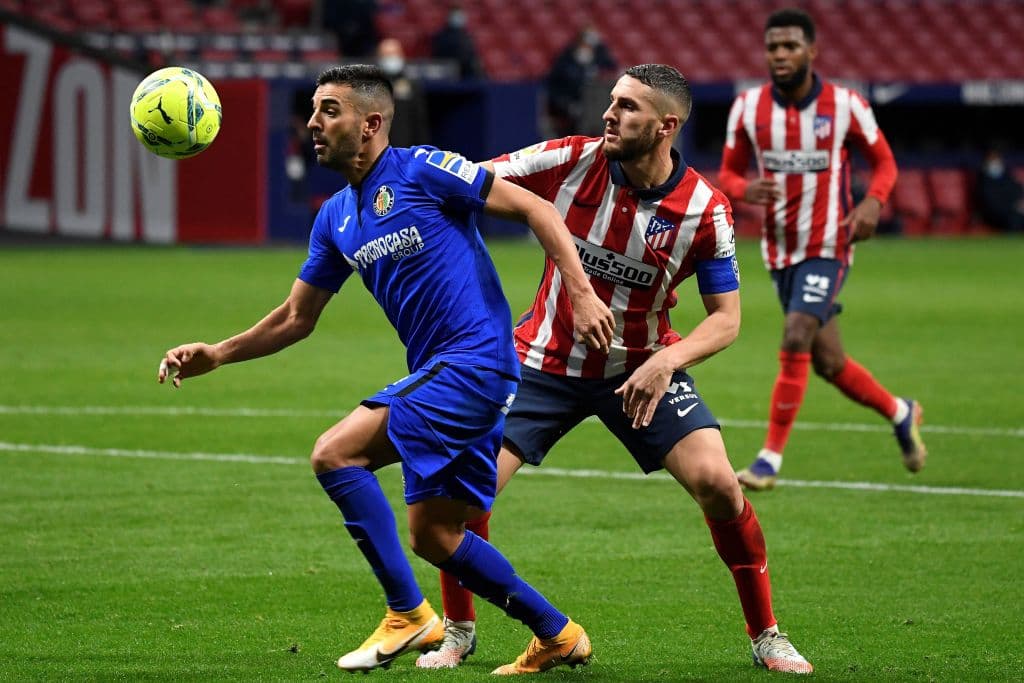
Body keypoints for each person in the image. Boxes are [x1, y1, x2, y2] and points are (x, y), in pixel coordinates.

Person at [157, 64, 616, 675]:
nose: (314, 124)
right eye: (314, 110)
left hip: (473, 362)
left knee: (334, 453)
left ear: (371, 123)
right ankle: (557, 632)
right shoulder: (335, 217)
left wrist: (582, 293)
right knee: (434, 536)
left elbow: (537, 209)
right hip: (450, 373)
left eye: (329, 111)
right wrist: (218, 352)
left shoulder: (423, 168)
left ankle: (408, 613)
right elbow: (297, 316)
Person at [416, 64, 814, 675]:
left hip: (640, 368)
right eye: (611, 102)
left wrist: (668, 361)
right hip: (540, 360)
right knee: (462, 502)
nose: (610, 114)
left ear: (666, 126)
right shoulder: (569, 159)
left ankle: (767, 636)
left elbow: (726, 319)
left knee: (718, 482)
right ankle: (459, 632)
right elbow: (475, 178)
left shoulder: (705, 211)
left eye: (628, 107)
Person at [717, 8, 926, 491]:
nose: (780, 55)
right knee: (828, 361)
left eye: (790, 46)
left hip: (829, 243)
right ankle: (900, 411)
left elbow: (886, 163)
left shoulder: (846, 104)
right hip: (779, 248)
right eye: (773, 47)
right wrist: (744, 189)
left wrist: (874, 202)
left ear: (812, 50)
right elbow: (728, 172)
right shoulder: (747, 109)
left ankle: (769, 459)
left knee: (795, 336)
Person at [545, 25, 617, 137]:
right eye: (585, 44)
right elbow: (555, 87)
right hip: (569, 107)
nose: (588, 48)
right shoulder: (566, 59)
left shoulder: (599, 55)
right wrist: (567, 104)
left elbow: (611, 66)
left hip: (593, 106)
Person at [376, 37, 430, 148]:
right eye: (386, 55)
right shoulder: (369, 86)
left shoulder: (412, 85)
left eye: (394, 54)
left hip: (405, 150)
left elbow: (419, 121)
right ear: (379, 57)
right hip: (377, 152)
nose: (391, 58)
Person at [430, 4, 484, 80]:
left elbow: (471, 55)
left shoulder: (466, 36)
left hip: (467, 72)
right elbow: (439, 56)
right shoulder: (442, 36)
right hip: (449, 72)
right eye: (456, 14)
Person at [976, 148, 1024, 232]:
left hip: (1015, 209)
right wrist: (1014, 207)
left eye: (997, 160)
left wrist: (1020, 203)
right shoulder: (983, 180)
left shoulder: (1007, 177)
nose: (995, 163)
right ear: (986, 163)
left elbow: (1017, 190)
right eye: (992, 160)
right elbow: (991, 202)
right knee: (1015, 218)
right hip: (995, 213)